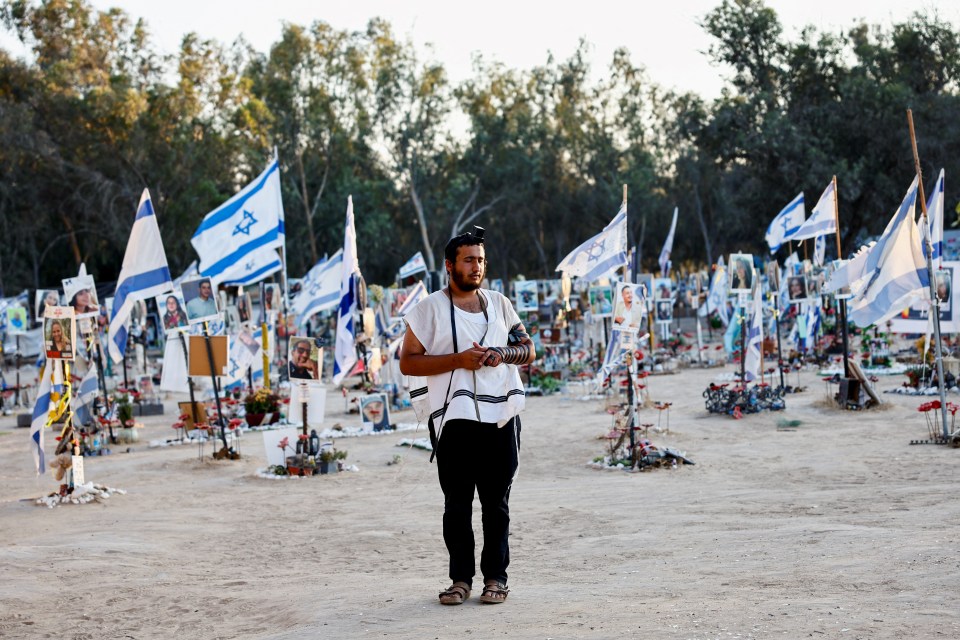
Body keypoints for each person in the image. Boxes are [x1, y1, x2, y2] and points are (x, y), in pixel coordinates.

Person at [399, 226, 534, 606]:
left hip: (500, 419)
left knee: (497, 504)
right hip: (453, 421)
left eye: (481, 261)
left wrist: (501, 354)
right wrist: (458, 360)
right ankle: (460, 579)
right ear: (449, 265)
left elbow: (529, 348)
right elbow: (408, 362)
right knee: (457, 504)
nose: (476, 267)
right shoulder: (428, 309)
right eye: (469, 260)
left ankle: (496, 579)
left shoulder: (499, 303)